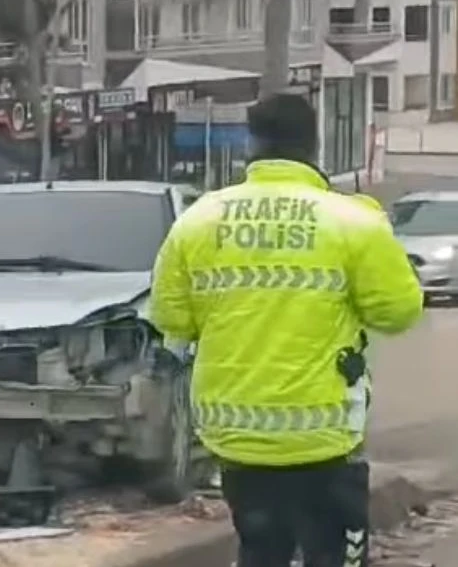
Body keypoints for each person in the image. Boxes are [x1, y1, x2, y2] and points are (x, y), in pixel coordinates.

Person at [149, 92, 423, 567]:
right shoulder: (353, 222)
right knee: (330, 552)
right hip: (326, 434)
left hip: (235, 432)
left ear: (250, 144)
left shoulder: (198, 220)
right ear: (313, 144)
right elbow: (398, 312)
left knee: (260, 549)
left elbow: (171, 320)